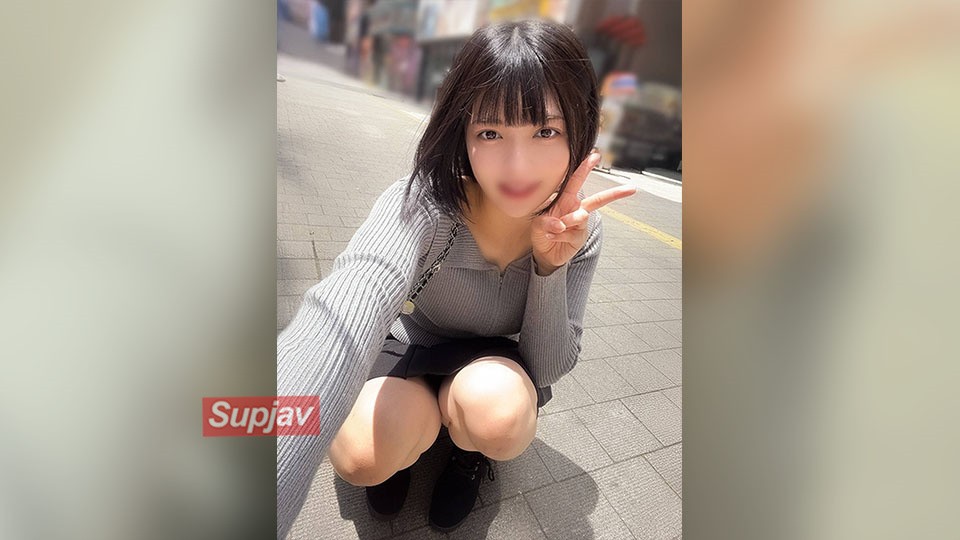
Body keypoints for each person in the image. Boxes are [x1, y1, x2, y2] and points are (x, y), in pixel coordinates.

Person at [277, 19, 637, 538]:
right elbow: (344, 307)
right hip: (412, 344)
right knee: (360, 456)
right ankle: (406, 448)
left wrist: (549, 267)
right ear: (462, 133)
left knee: (501, 418)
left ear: (579, 129)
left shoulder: (580, 229)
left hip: (492, 363)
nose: (517, 166)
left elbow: (548, 366)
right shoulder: (425, 203)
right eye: (490, 132)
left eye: (546, 131)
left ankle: (467, 452)